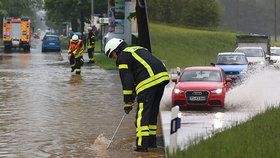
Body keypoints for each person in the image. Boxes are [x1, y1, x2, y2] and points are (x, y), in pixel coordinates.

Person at [104, 38, 170, 152]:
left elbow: (127, 81)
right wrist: (133, 95)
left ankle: (141, 147)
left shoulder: (123, 56)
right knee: (151, 114)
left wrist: (127, 102)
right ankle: (151, 144)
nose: (113, 58)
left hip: (148, 81)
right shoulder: (136, 49)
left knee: (141, 116)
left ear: (116, 50)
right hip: (162, 78)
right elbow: (137, 76)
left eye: (112, 55)